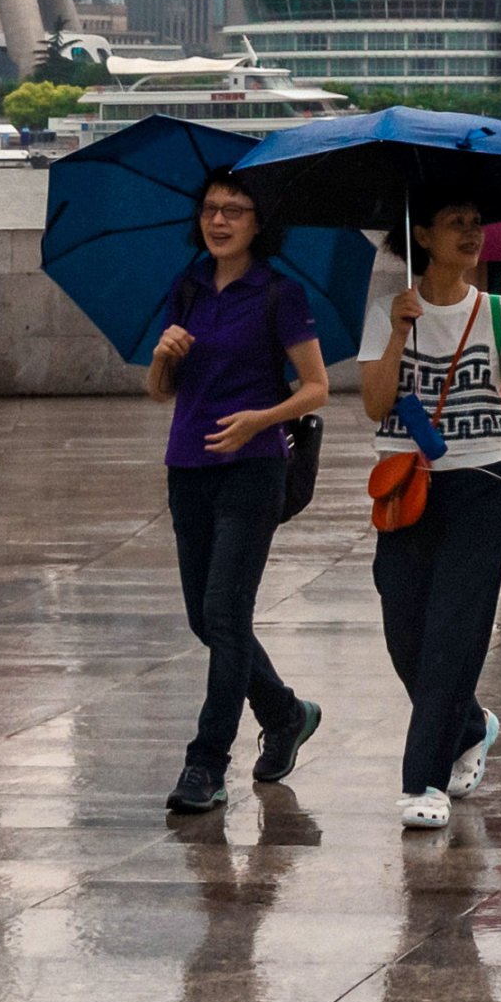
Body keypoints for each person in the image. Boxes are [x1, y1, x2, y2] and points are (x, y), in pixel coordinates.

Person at [361, 199, 501, 830]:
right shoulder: (387, 311)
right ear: (421, 234)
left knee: (454, 632)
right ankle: (471, 722)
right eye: (456, 223)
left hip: (482, 483)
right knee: (405, 634)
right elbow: (372, 404)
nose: (473, 233)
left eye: (478, 221)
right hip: (405, 488)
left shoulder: (495, 310)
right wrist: (396, 330)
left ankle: (424, 781)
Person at [141, 175, 331, 814]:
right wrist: (164, 356)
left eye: (234, 210)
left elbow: (316, 388)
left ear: (258, 223)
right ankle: (284, 712)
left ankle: (206, 764)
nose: (218, 220)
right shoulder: (189, 287)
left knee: (224, 613)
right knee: (204, 618)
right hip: (187, 464)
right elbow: (161, 390)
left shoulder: (281, 293)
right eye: (210, 209)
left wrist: (260, 419)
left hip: (253, 467)